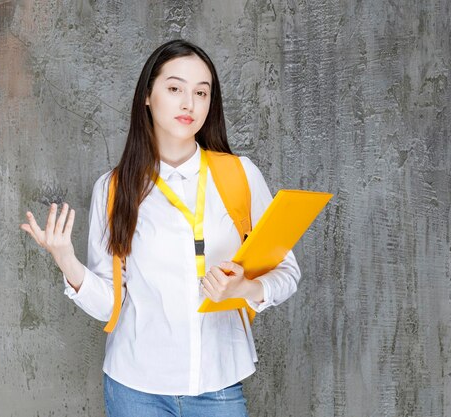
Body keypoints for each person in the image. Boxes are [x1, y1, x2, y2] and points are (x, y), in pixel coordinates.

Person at [20, 39, 301, 417]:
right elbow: (109, 305)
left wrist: (245, 287)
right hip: (135, 389)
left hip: (217, 383)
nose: (189, 103)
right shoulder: (114, 188)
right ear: (148, 97)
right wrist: (66, 260)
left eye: (201, 92)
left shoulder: (240, 175)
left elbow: (288, 272)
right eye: (175, 88)